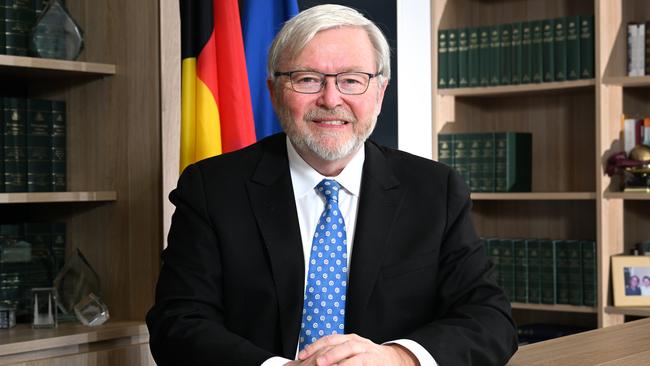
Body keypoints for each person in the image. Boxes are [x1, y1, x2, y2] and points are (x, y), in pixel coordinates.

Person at [146, 4, 517, 366]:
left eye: (351, 80)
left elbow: (490, 318)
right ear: (274, 92)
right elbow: (177, 323)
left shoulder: (435, 190)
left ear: (380, 93)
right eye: (307, 79)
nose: (331, 99)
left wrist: (398, 357)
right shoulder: (212, 189)